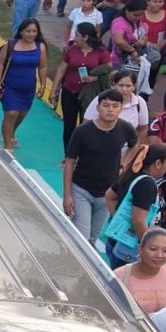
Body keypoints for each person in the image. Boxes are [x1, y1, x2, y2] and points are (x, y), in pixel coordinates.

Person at [61, 90, 136, 245]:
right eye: (106, 105)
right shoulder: (82, 131)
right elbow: (69, 162)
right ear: (98, 107)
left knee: (92, 238)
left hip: (106, 193)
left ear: (121, 108)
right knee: (81, 236)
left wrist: (124, 164)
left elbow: (135, 145)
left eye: (115, 106)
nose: (110, 109)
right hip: (81, 189)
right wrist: (67, 195)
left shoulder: (125, 128)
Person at [0, 20, 48, 152]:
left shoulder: (41, 47)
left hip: (28, 88)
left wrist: (43, 84)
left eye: (34, 31)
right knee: (11, 113)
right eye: (28, 31)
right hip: (10, 86)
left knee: (21, 114)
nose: (31, 34)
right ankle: (7, 146)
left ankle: (11, 133)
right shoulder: (11, 45)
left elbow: (43, 66)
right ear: (21, 32)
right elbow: (0, 63)